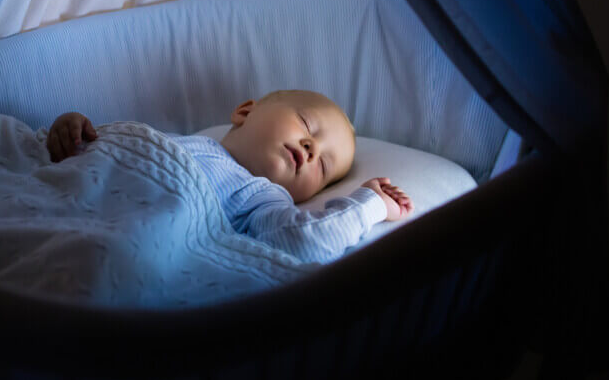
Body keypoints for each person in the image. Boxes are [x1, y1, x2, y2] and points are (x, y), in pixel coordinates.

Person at [46, 89, 414, 263]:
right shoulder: (175, 142)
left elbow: (305, 239)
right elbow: (111, 150)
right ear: (244, 111)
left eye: (324, 166)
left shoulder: (263, 198)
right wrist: (74, 130)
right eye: (306, 124)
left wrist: (370, 205)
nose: (311, 148)